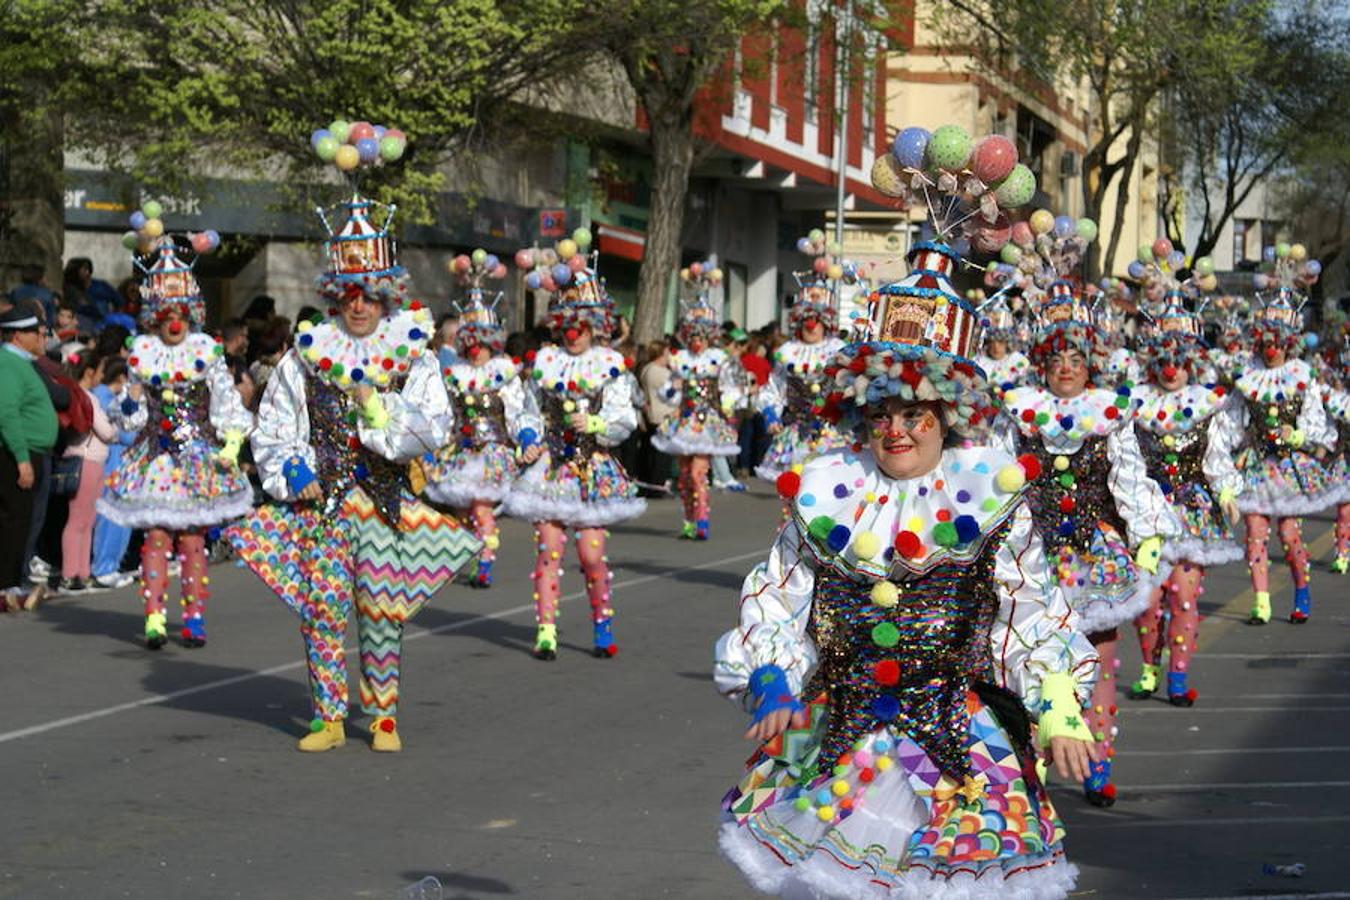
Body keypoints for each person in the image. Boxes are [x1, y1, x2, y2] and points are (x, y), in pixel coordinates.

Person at [715, 237, 1098, 899]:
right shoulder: (825, 489)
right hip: (841, 739)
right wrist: (772, 675)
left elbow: (1028, 612)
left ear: (945, 414)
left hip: (956, 742)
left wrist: (1059, 701)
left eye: (913, 413)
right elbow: (779, 600)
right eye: (881, 413)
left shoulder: (989, 492)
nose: (895, 430)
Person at [228, 176, 481, 752]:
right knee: (322, 607)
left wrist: (380, 409)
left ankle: (383, 716)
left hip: (386, 505)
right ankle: (329, 717)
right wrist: (293, 469)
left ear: (386, 294)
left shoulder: (410, 351)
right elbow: (276, 426)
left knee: (381, 610)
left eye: (368, 293)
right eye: (349, 295)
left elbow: (433, 427)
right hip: (324, 505)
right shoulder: (307, 355)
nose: (359, 305)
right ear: (335, 296)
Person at [994, 273, 1177, 808]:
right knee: (1030, 660)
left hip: (1095, 555)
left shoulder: (1108, 413)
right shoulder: (1020, 411)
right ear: (1043, 365)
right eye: (1057, 359)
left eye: (1076, 357)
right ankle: (1036, 768)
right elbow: (999, 479)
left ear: (1090, 363)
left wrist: (1146, 534)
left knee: (1099, 663)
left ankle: (1097, 762)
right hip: (1032, 556)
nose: (1067, 367)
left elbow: (1129, 476)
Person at [99, 233, 255, 649]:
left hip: (198, 457)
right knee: (156, 537)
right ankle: (153, 616)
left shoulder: (207, 351)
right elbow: (130, 418)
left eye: (181, 315)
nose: (174, 323)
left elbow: (226, 402)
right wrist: (130, 402)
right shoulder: (142, 354)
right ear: (155, 315)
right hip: (155, 460)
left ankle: (194, 617)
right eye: (167, 314)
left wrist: (233, 442)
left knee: (191, 539)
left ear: (191, 315)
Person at [502, 243, 646, 661]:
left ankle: (602, 623)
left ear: (594, 326)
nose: (574, 334)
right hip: (551, 470)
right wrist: (528, 440)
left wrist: (598, 424)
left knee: (590, 554)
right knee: (547, 550)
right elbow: (528, 411)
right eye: (568, 325)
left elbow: (625, 418)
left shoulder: (610, 363)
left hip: (592, 468)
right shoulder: (545, 361)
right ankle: (545, 630)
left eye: (581, 326)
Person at [1127, 295, 1244, 707]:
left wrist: (1226, 491)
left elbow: (1216, 458)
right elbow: (1125, 461)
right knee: (1148, 602)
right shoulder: (1134, 403)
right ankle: (1148, 669)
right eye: (1163, 360)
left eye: (1178, 359)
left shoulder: (1207, 404)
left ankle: (1178, 675)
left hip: (1194, 513)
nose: (1170, 369)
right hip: (1147, 516)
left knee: (1184, 595)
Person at [1219, 266, 1339, 624]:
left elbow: (1321, 426)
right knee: (1255, 532)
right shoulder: (1249, 375)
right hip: (1256, 465)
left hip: (1289, 468)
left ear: (1289, 342)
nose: (1271, 349)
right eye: (1266, 342)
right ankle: (1261, 601)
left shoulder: (1302, 376)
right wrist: (1225, 455)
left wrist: (1298, 436)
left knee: (1288, 533)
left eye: (1278, 342)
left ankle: (1301, 587)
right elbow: (1231, 421)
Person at [423, 262, 541, 588]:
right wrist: (431, 444)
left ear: (491, 344)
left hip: (492, 453)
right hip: (462, 451)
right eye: (470, 344)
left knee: (482, 509)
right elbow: (444, 413)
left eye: (481, 344)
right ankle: (468, 557)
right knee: (462, 512)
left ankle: (486, 562)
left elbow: (517, 412)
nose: (476, 352)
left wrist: (527, 435)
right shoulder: (454, 374)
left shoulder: (503, 374)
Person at [651, 266, 744, 539]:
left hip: (707, 421)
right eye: (692, 336)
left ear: (708, 337)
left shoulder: (717, 358)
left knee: (697, 472)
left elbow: (733, 385)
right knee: (684, 475)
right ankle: (689, 521)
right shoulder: (680, 360)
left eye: (701, 337)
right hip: (684, 420)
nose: (696, 342)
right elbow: (666, 391)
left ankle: (702, 518)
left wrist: (727, 405)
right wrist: (674, 389)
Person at [754, 267, 848, 487]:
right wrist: (771, 415)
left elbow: (847, 388)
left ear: (826, 321)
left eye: (816, 318)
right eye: (807, 318)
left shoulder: (838, 351)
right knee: (792, 493)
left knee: (826, 492)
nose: (811, 325)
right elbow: (773, 390)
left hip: (829, 434)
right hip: (795, 434)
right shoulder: (787, 352)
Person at [0, 306, 58, 612]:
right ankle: (7, 585)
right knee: (15, 519)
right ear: (19, 335)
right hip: (17, 453)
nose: (43, 337)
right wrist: (22, 459)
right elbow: (6, 412)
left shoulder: (22, 363)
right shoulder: (9, 363)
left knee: (22, 520)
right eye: (38, 332)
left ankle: (13, 581)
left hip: (32, 451)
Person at [58, 353, 120, 592]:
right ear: (89, 372)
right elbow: (107, 432)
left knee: (85, 519)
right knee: (80, 520)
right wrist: (115, 428)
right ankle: (71, 574)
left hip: (87, 459)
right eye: (101, 371)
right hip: (88, 460)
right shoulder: (88, 398)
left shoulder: (77, 395)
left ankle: (80, 573)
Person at [89, 356, 138, 588]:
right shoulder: (103, 397)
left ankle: (111, 565)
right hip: (113, 463)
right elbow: (125, 432)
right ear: (122, 377)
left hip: (121, 463)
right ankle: (104, 567)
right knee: (112, 516)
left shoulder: (109, 397)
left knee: (121, 516)